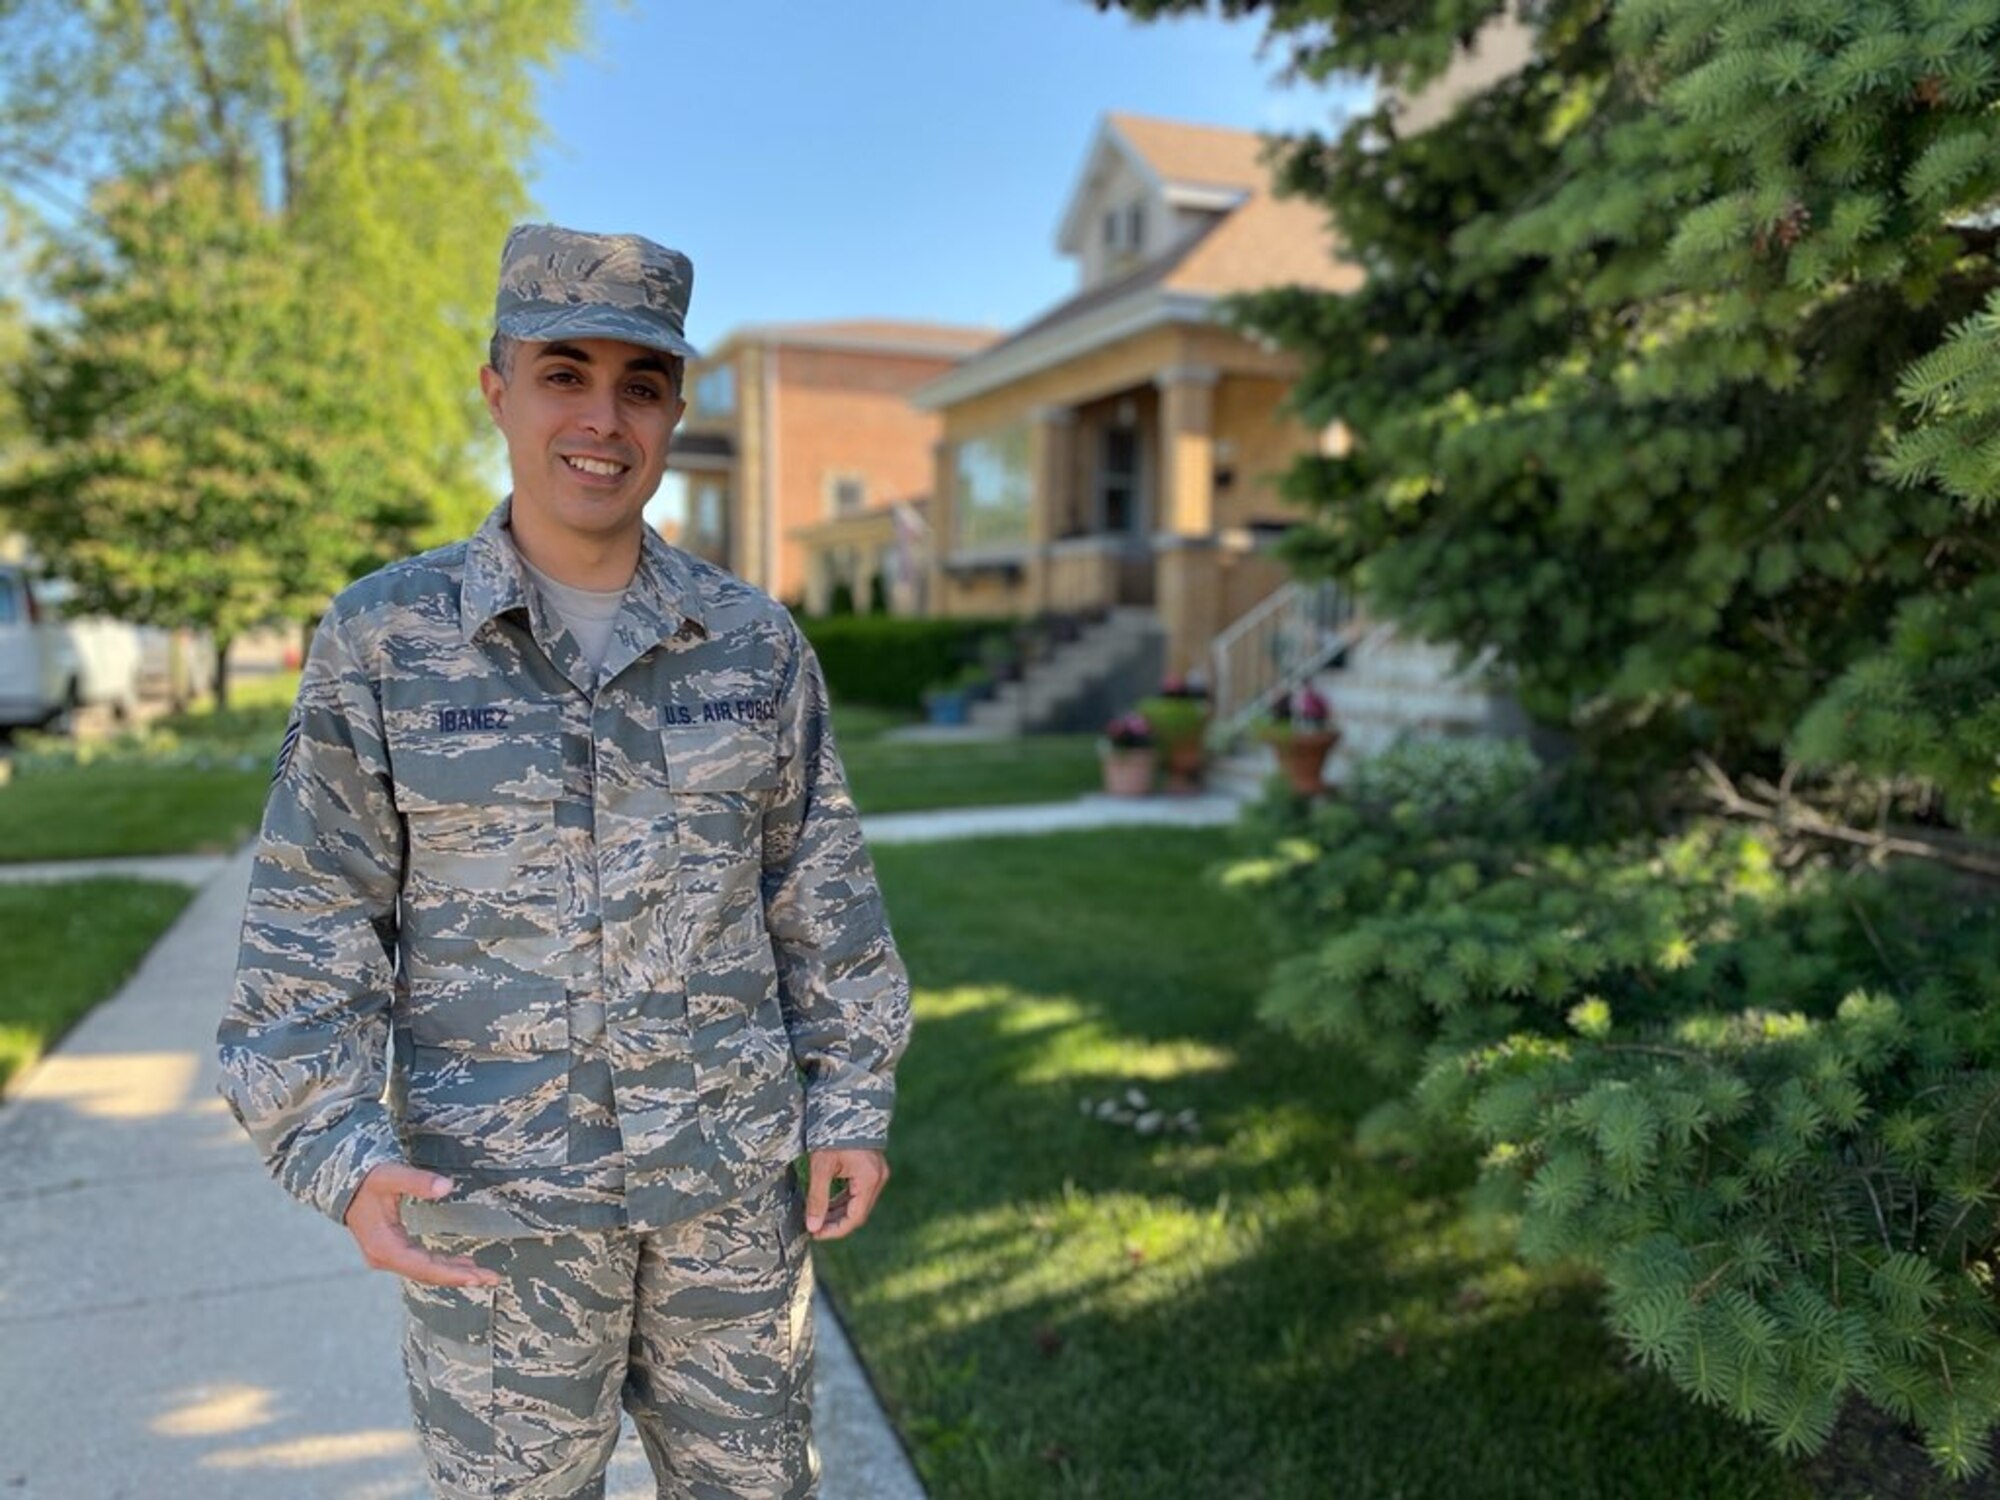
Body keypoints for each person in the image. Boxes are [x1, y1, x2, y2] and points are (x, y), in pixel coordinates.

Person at [216, 223, 912, 1499]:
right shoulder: (385, 640)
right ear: (496, 389)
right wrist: (338, 1148)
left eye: (640, 384)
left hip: (729, 1210)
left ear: (675, 410)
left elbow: (821, 896)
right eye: (564, 373)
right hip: (500, 1216)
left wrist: (851, 1100)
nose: (603, 417)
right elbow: (312, 919)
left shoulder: (751, 646)